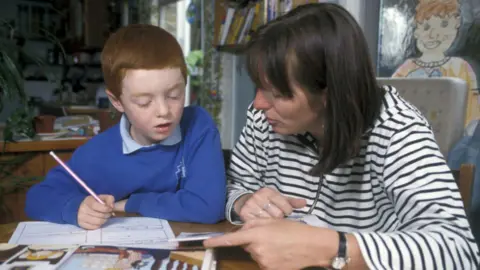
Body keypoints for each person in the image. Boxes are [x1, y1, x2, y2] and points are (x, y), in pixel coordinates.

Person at [203, 3, 479, 270]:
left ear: (329, 92)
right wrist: (243, 200)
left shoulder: (398, 130)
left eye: (277, 93)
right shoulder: (264, 118)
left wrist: (331, 248)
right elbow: (233, 186)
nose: (258, 103)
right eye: (259, 87)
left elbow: (457, 251)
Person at [25, 24, 226, 230]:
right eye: (144, 102)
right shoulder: (97, 154)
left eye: (174, 95)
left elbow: (208, 206)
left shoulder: (197, 125)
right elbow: (37, 198)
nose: (164, 111)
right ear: (116, 101)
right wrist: (76, 208)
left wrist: (131, 204)